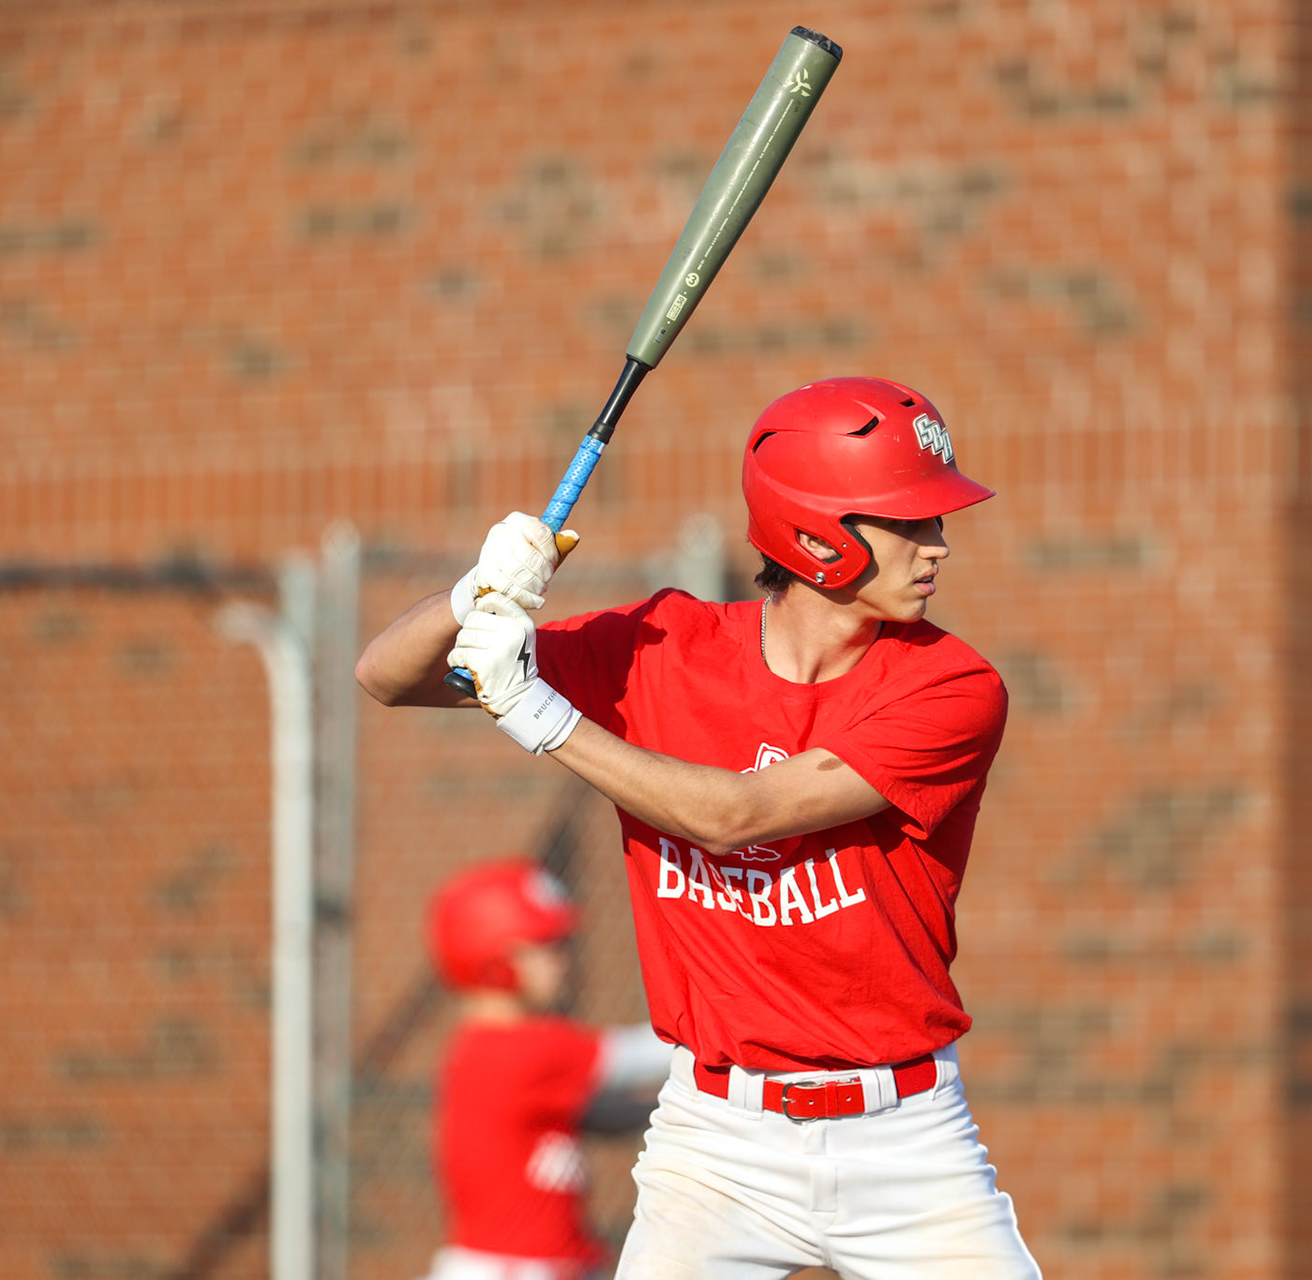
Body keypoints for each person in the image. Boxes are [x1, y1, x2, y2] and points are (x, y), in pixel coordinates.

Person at [361, 377, 1040, 1278]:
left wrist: (542, 716)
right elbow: (387, 675)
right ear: (817, 537)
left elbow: (735, 816)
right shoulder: (660, 647)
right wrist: (473, 593)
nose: (938, 543)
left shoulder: (952, 688)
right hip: (716, 1145)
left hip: (907, 1144)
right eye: (908, 521)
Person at [423, 858, 672, 1280]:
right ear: (494, 956)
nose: (563, 961)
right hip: (514, 1271)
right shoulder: (523, 1048)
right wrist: (738, 1020)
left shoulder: (479, 1045)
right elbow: (655, 1054)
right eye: (545, 947)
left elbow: (598, 1117)